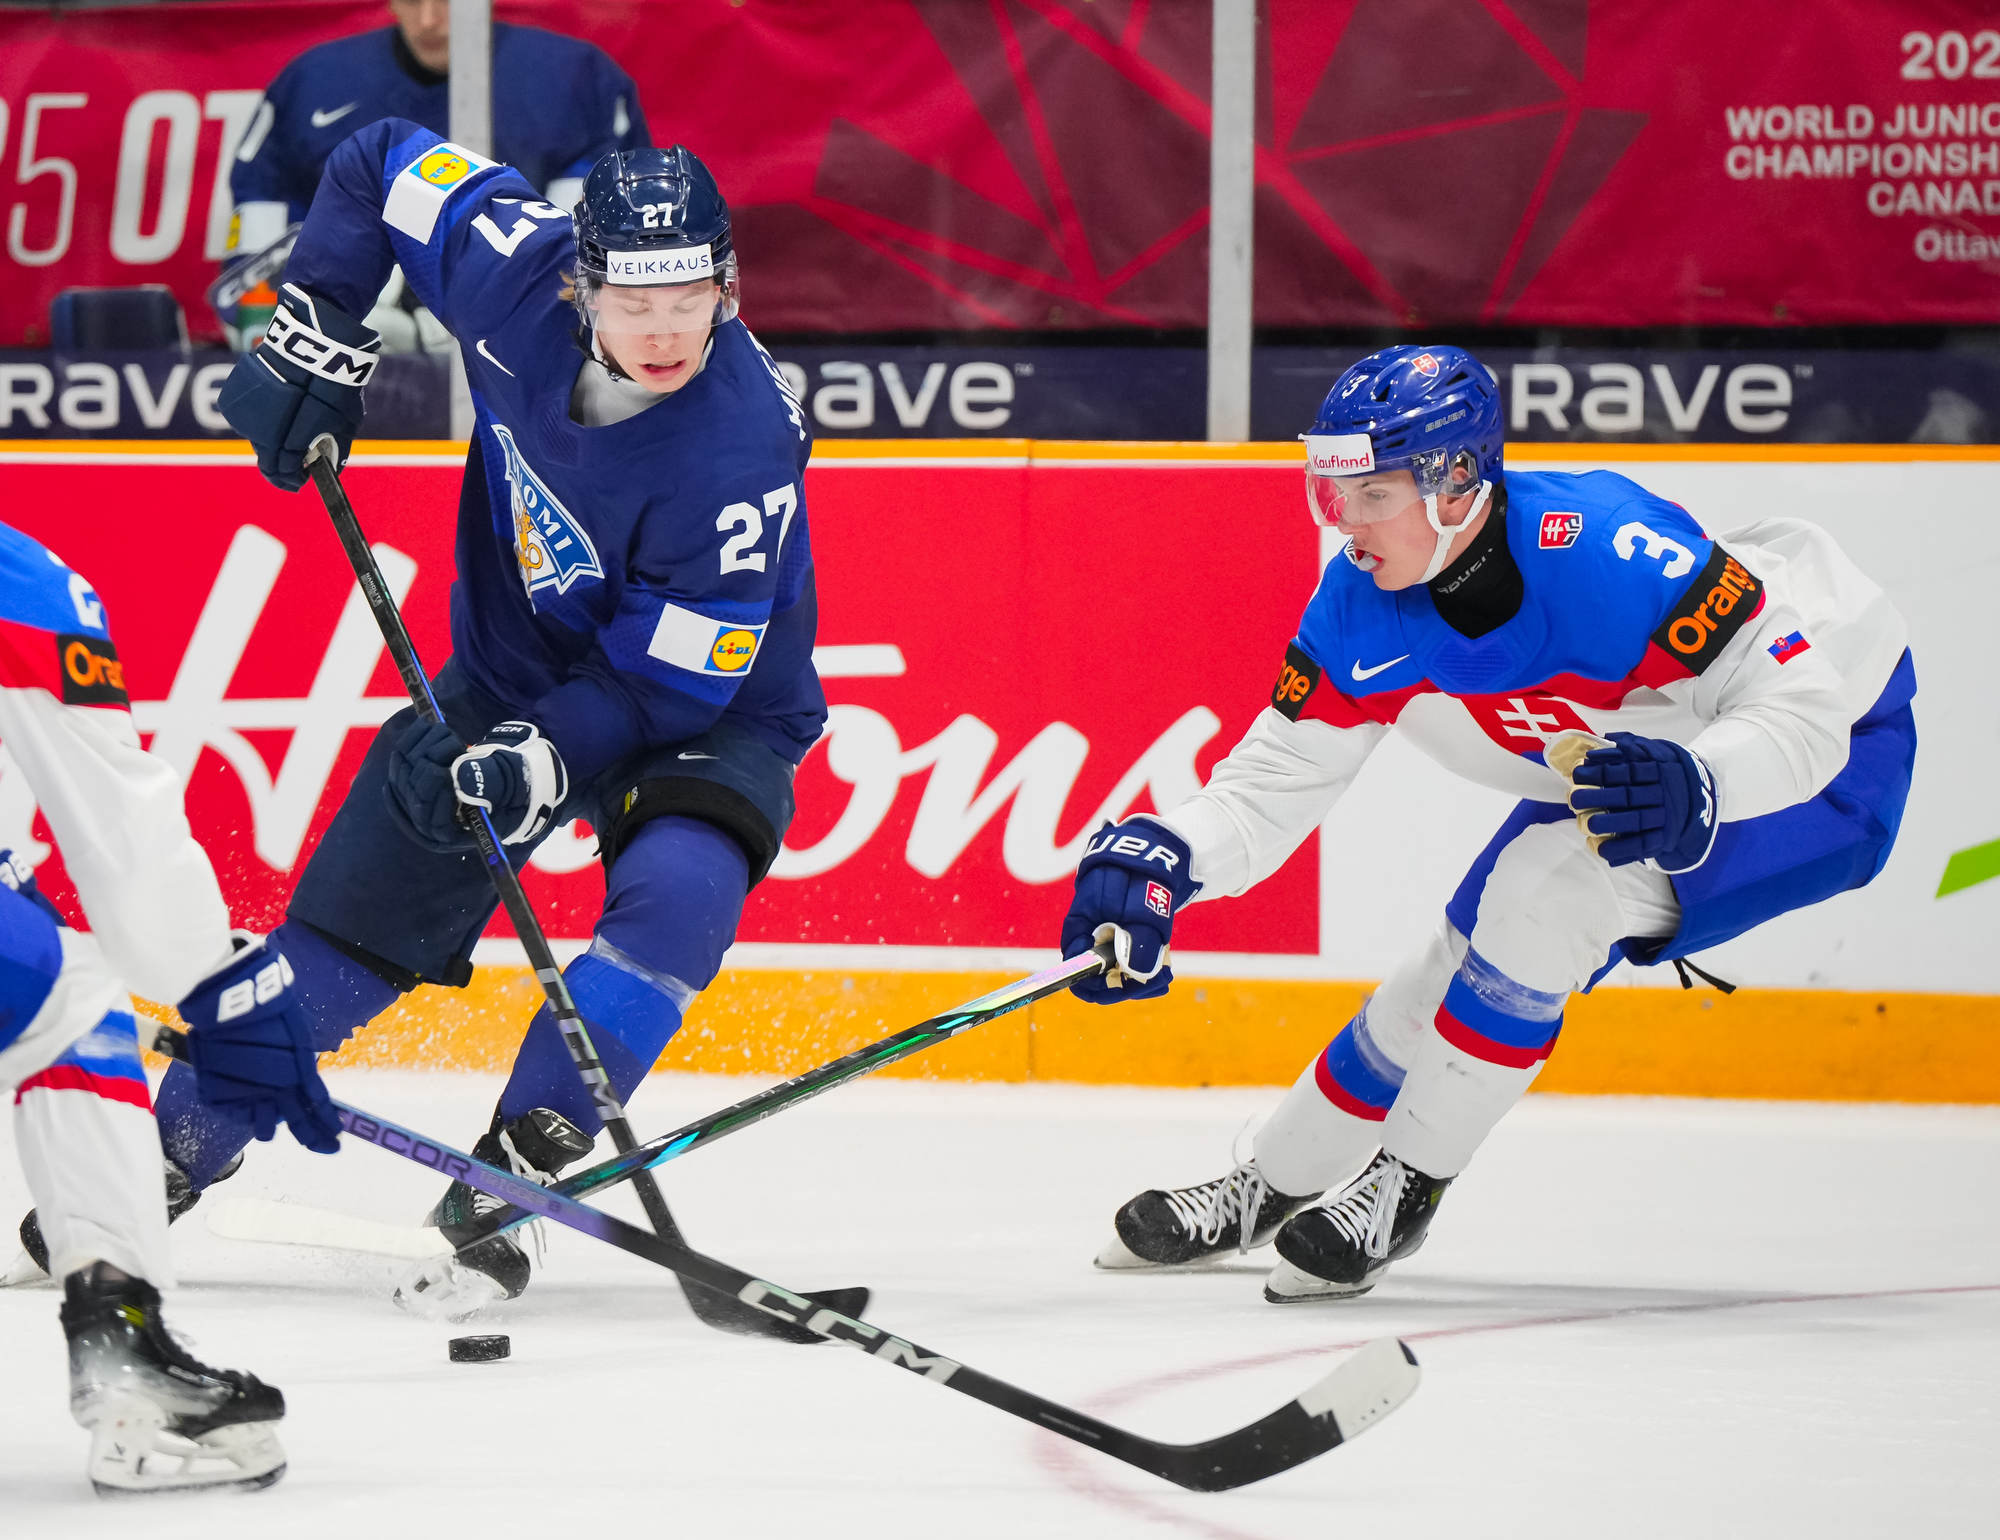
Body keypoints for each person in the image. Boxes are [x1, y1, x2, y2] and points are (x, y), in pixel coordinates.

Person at [1062, 345, 1916, 1302]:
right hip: (1640, 748)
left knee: (1539, 904)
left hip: (1822, 760)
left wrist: (1701, 782)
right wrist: (1165, 855)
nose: (1345, 523)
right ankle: (1269, 1182)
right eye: (1332, 491)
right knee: (1448, 967)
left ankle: (1405, 1185)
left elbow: (1805, 709)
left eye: (1373, 493)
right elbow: (1270, 787)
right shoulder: (1355, 608)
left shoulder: (1609, 550)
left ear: (1458, 479)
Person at [142, 121, 819, 1312]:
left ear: (727, 285)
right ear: (578, 282)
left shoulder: (739, 448)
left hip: (705, 708)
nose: (666, 331)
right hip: (506, 674)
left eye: (692, 299)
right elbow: (375, 160)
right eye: (635, 301)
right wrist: (318, 326)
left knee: (681, 890)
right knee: (334, 956)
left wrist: (541, 760)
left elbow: (671, 683)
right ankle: (163, 1157)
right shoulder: (508, 261)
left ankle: (516, 1161)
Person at [0, 522, 339, 1494]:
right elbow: (122, 842)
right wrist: (224, 987)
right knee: (71, 1005)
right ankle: (124, 1347)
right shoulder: (21, 578)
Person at [222, 0, 649, 348]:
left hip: (525, 339)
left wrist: (517, 305)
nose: (429, 20)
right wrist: (276, 312)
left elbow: (603, 241)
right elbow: (262, 212)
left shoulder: (578, 79)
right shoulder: (311, 82)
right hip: (351, 334)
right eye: (412, 0)